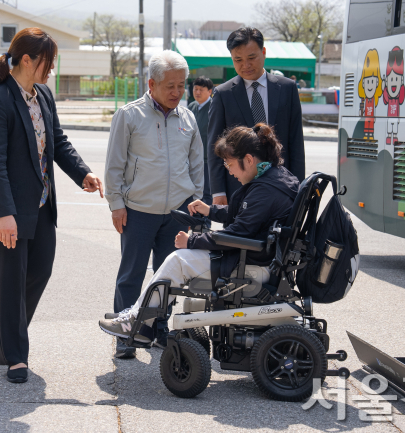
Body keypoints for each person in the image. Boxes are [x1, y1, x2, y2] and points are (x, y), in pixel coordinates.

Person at [0, 28, 103, 383]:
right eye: (48, 63)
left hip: (42, 205)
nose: (51, 70)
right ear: (28, 60)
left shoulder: (43, 95)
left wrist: (83, 174)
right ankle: (15, 357)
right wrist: (4, 213)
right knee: (11, 281)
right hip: (8, 211)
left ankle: (0, 324)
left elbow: (57, 142)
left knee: (40, 272)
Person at [99, 124, 299, 342]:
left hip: (252, 262)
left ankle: (138, 323)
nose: (229, 171)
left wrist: (191, 241)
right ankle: (140, 318)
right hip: (261, 257)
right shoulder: (277, 176)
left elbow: (238, 233)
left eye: (230, 164)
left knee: (177, 260)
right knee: (178, 260)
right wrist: (210, 210)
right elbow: (247, 216)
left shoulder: (265, 191)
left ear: (249, 160)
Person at [104, 50, 204, 359]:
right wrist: (116, 204)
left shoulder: (188, 117)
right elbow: (114, 165)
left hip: (176, 213)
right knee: (131, 274)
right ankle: (125, 336)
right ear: (152, 84)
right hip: (138, 210)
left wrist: (195, 202)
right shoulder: (129, 115)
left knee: (167, 278)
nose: (177, 92)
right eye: (169, 86)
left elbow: (197, 164)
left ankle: (159, 330)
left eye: (181, 85)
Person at [208, 27, 305, 206]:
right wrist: (218, 191)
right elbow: (215, 146)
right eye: (238, 60)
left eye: (251, 58)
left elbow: (296, 142)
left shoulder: (287, 89)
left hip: (281, 187)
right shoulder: (223, 94)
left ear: (264, 52)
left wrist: (299, 188)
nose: (246, 65)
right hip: (238, 189)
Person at [186, 76, 215, 215]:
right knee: (192, 190)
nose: (197, 92)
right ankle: (195, 221)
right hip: (191, 157)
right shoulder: (191, 106)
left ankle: (204, 223)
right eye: (195, 89)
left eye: (201, 89)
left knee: (206, 192)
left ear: (210, 91)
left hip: (207, 158)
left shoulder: (214, 108)